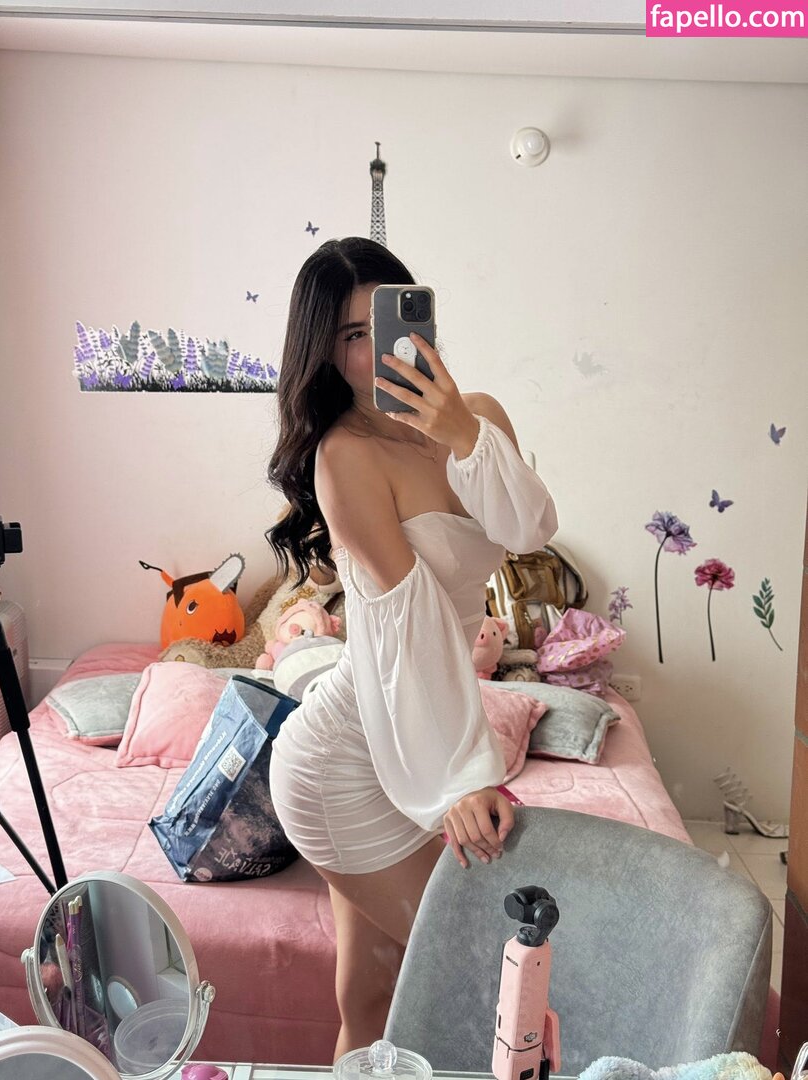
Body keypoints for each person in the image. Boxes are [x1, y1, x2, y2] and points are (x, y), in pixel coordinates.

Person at [266, 237, 557, 1058]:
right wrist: (464, 778)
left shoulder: (482, 414)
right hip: (344, 762)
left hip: (410, 732)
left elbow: (529, 529)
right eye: (352, 335)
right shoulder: (344, 455)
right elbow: (414, 627)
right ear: (326, 353)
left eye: (388, 321)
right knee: (475, 966)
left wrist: (463, 432)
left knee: (372, 993)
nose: (377, 349)